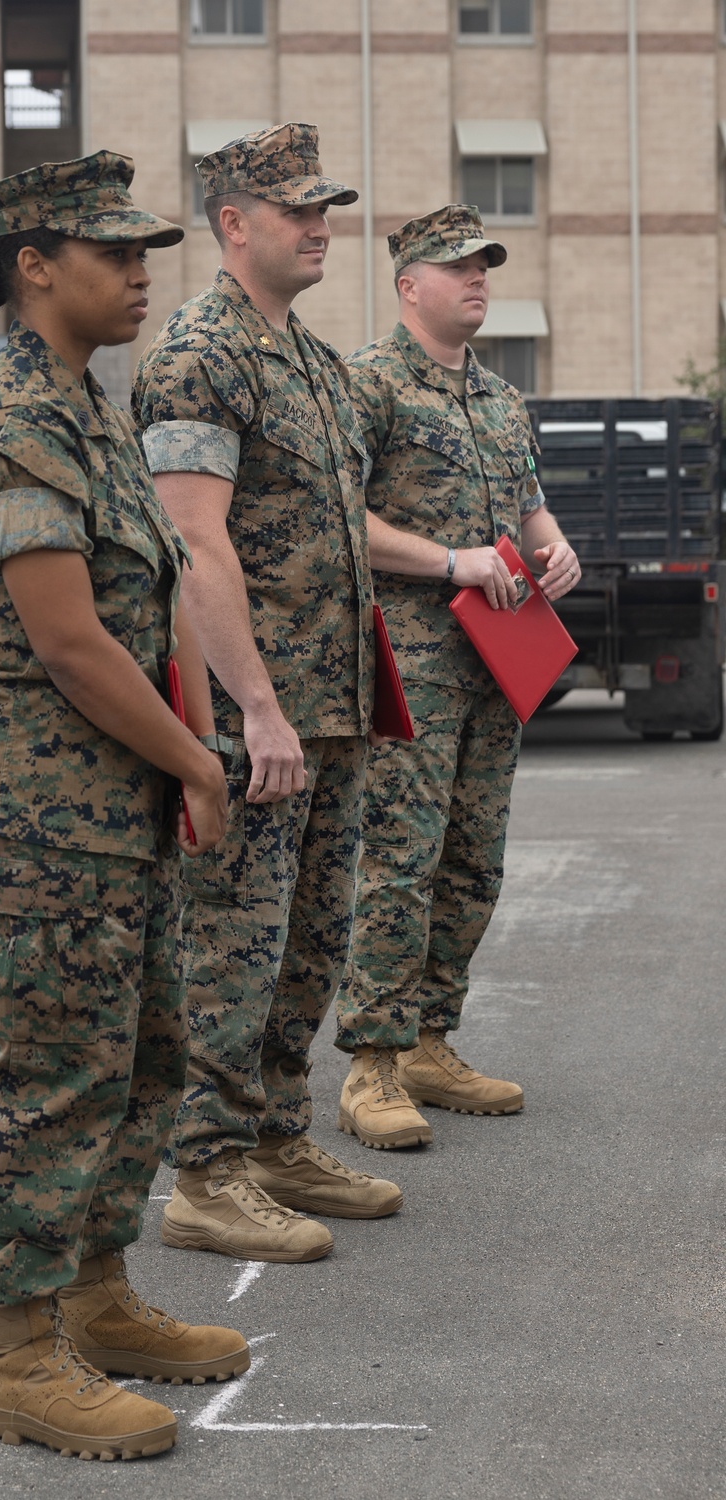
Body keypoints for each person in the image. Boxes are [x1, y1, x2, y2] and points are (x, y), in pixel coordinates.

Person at [0, 152, 249, 1464]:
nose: (139, 272)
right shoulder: (12, 410)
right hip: (38, 810)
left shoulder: (89, 403)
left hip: (113, 805)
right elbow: (67, 641)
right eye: (112, 251)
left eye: (142, 251)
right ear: (34, 266)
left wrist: (187, 745)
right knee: (50, 1074)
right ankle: (18, 1357)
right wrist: (198, 759)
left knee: (145, 1057)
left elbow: (154, 595)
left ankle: (97, 1296)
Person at [132, 123, 402, 1265]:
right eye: (295, 208)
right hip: (260, 717)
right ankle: (204, 1171)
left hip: (330, 710)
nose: (319, 223)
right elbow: (194, 546)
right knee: (232, 946)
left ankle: (279, 1137)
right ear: (232, 223)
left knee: (310, 943)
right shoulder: (202, 353)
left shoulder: (317, 364)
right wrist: (254, 706)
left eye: (324, 204)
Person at [335, 205, 580, 1150]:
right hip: (411, 661)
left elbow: (530, 509)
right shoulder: (368, 386)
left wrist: (552, 553)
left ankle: (433, 1040)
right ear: (409, 286)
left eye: (485, 265)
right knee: (400, 856)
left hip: (498, 657)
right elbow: (339, 521)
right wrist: (451, 562)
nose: (478, 279)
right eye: (457, 266)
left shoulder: (500, 399)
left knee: (474, 859)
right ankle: (373, 1065)